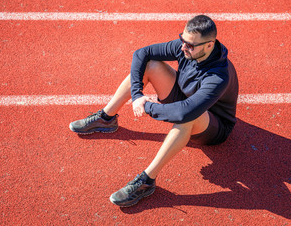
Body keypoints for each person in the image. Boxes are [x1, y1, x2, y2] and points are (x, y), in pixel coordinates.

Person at [69, 15, 239, 207]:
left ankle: (147, 181)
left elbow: (185, 113)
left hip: (213, 125)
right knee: (150, 65)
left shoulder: (218, 76)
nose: (183, 47)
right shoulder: (187, 47)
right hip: (187, 98)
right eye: (182, 40)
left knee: (188, 118)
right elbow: (142, 53)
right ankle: (106, 118)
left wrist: (146, 106)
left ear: (209, 45)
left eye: (190, 45)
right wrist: (137, 94)